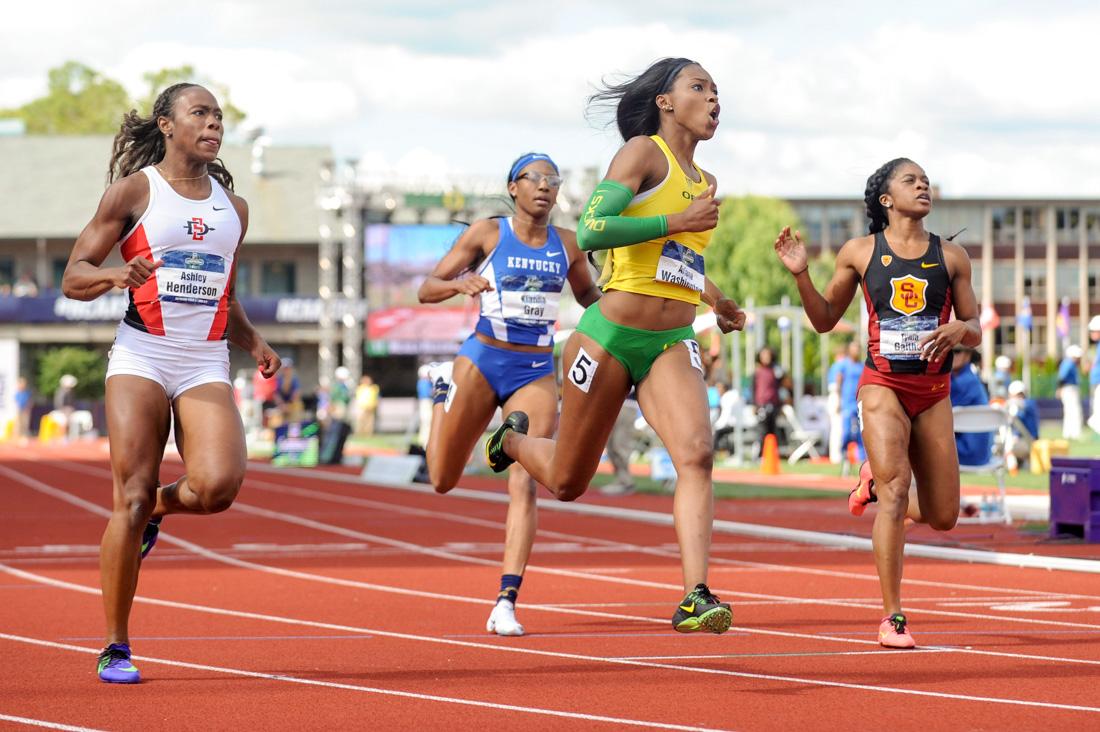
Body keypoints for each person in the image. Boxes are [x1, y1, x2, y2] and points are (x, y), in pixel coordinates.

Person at [485, 58, 746, 634]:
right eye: (699, 87)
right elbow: (592, 231)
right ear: (666, 101)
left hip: (670, 340)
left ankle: (695, 595)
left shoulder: (706, 183)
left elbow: (677, 264)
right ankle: (514, 440)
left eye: (717, 90)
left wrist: (718, 300)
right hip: (608, 337)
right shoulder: (641, 154)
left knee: (697, 454)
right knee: (570, 482)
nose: (713, 98)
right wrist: (676, 218)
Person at [61, 83, 280, 683]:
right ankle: (115, 645)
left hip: (205, 357)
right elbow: (72, 276)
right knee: (126, 497)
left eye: (218, 116)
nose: (213, 124)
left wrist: (253, 339)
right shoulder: (134, 192)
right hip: (143, 354)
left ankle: (159, 507)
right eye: (200, 114)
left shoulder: (232, 209)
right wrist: (114, 275)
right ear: (166, 123)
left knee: (217, 487)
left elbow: (222, 290)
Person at [774, 157, 981, 648]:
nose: (923, 185)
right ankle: (893, 618)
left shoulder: (952, 257)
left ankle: (871, 479)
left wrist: (960, 331)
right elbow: (824, 319)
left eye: (926, 180)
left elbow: (975, 328)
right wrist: (802, 275)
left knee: (944, 515)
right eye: (911, 180)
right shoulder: (860, 252)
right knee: (896, 491)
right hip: (882, 384)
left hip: (933, 392)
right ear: (886, 199)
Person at [418, 151, 600, 636]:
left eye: (552, 180)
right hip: (482, 359)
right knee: (441, 479)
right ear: (513, 186)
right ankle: (442, 389)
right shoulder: (489, 232)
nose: (544, 186)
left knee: (525, 483)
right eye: (534, 178)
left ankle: (506, 600)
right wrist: (460, 283)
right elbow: (426, 288)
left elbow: (592, 300)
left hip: (535, 369)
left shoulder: (569, 244)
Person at [949, 345, 992, 466]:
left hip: (969, 452)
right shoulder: (968, 378)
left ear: (968, 354)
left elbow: (939, 414)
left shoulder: (965, 381)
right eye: (947, 351)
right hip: (980, 454)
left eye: (956, 351)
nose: (950, 355)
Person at [600, 393, 640, 496]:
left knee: (620, 444)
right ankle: (621, 479)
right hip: (612, 402)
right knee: (611, 445)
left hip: (627, 404)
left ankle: (626, 482)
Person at [838, 340, 865, 465]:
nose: (857, 351)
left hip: (859, 402)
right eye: (854, 348)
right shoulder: (844, 365)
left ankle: (862, 458)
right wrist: (838, 400)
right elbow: (839, 382)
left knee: (862, 431)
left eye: (858, 348)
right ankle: (843, 452)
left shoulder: (862, 366)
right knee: (847, 430)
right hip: (847, 402)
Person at [1005, 379, 1039, 471]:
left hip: (1029, 444)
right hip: (1024, 442)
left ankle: (1013, 467)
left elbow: (1021, 409)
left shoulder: (1027, 405)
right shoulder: (1023, 405)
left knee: (1005, 447)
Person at [753, 347, 781, 453]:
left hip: (773, 404)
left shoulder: (775, 370)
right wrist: (754, 405)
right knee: (761, 430)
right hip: (761, 405)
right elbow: (753, 388)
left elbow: (781, 385)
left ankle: (772, 453)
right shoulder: (758, 372)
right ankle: (760, 453)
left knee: (772, 430)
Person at [1058, 345, 1083, 440]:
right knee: (1074, 411)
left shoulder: (1067, 363)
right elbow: (1062, 377)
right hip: (1069, 389)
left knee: (1069, 411)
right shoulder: (1069, 363)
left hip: (1068, 389)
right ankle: (1075, 433)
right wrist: (1060, 388)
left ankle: (1068, 433)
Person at [13, 376, 33, 441]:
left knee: (25, 423)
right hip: (19, 409)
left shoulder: (27, 393)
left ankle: (24, 436)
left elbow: (30, 401)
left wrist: (28, 407)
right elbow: (16, 401)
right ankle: (16, 437)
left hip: (26, 410)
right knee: (18, 424)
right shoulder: (17, 393)